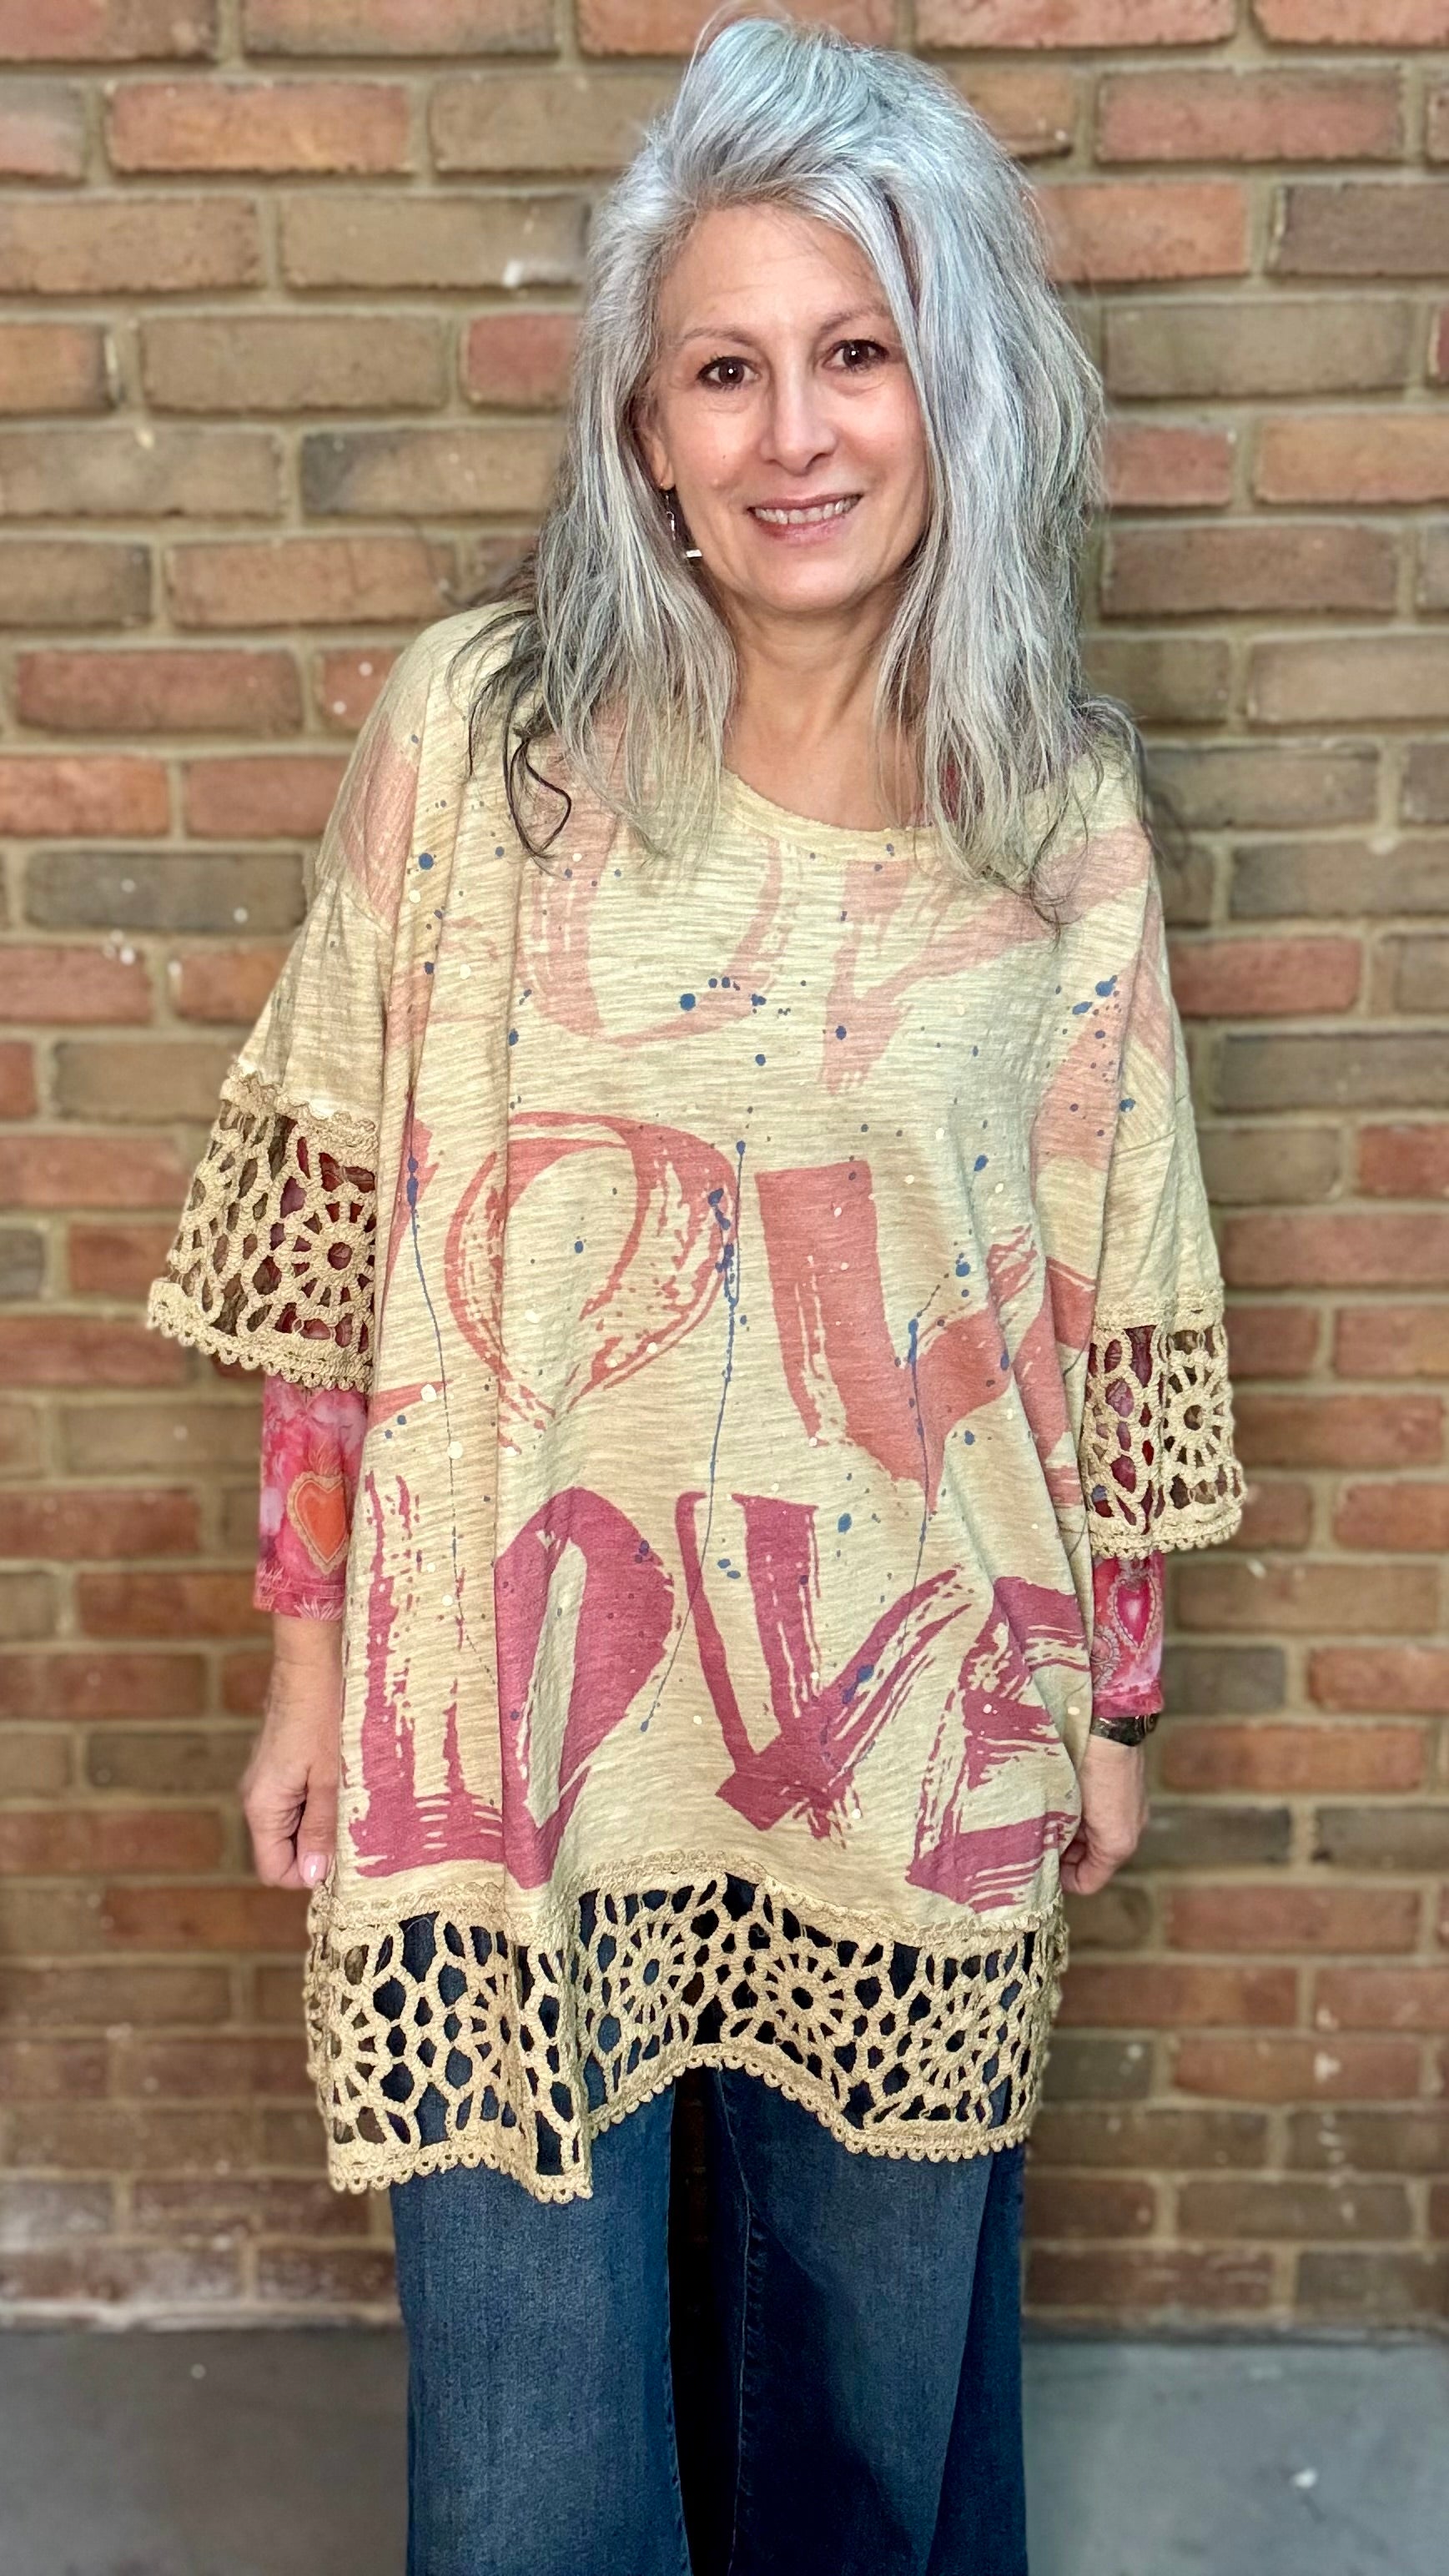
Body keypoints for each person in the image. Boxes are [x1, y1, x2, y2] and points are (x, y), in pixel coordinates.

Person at [147, 18, 1243, 2574]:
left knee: (858, 2421)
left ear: (950, 394)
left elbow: (1106, 1295)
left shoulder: (1049, 819)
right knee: (537, 2461)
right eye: (723, 372)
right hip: (503, 1742)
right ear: (642, 432)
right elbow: (338, 1217)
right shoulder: (480, 747)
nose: (794, 436)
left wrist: (1107, 1696)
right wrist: (308, 1657)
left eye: (855, 354)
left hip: (910, 1734)